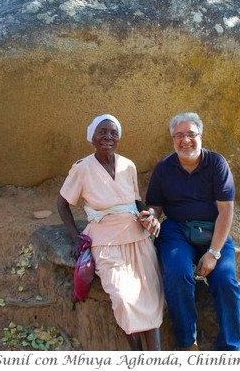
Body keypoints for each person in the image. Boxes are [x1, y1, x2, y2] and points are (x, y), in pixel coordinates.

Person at [57, 114, 164, 351]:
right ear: (92, 137)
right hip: (105, 242)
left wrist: (150, 216)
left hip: (138, 238)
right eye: (102, 132)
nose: (108, 137)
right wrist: (76, 236)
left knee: (151, 296)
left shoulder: (129, 165)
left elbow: (136, 202)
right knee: (124, 298)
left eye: (113, 133)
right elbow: (63, 203)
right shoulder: (82, 168)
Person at [141, 112, 240, 351]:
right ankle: (188, 343)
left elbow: (226, 211)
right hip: (177, 229)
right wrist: (151, 218)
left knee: (226, 280)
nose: (185, 140)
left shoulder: (217, 163)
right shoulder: (164, 169)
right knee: (177, 274)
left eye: (190, 134)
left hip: (213, 229)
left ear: (201, 136)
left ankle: (230, 348)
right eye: (179, 136)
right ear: (172, 139)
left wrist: (214, 252)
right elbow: (155, 207)